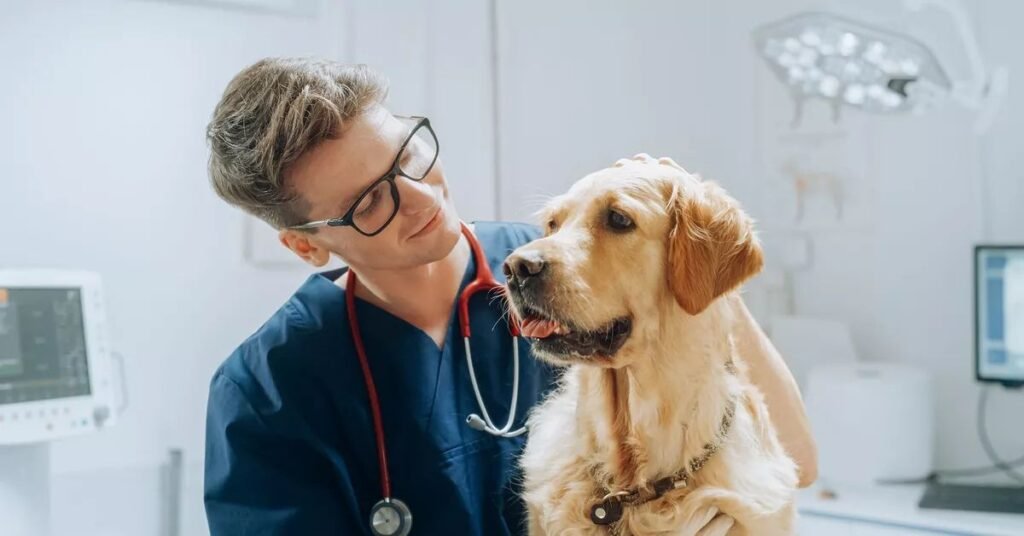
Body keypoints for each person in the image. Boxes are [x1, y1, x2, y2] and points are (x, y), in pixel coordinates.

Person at [202, 58, 817, 536]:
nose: (419, 197)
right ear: (307, 247)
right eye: (368, 202)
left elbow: (794, 461)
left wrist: (689, 261)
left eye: (408, 156)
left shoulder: (558, 268)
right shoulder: (267, 393)